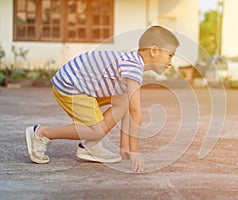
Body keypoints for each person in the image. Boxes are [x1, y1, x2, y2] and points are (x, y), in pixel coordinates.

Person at [25, 25, 179, 172]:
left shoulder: (131, 61)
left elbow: (126, 108)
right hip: (70, 85)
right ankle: (41, 133)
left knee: (123, 101)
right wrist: (135, 151)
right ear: (154, 51)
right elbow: (135, 111)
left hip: (83, 86)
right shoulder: (133, 66)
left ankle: (90, 146)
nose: (171, 63)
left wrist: (124, 148)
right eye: (170, 55)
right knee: (96, 130)